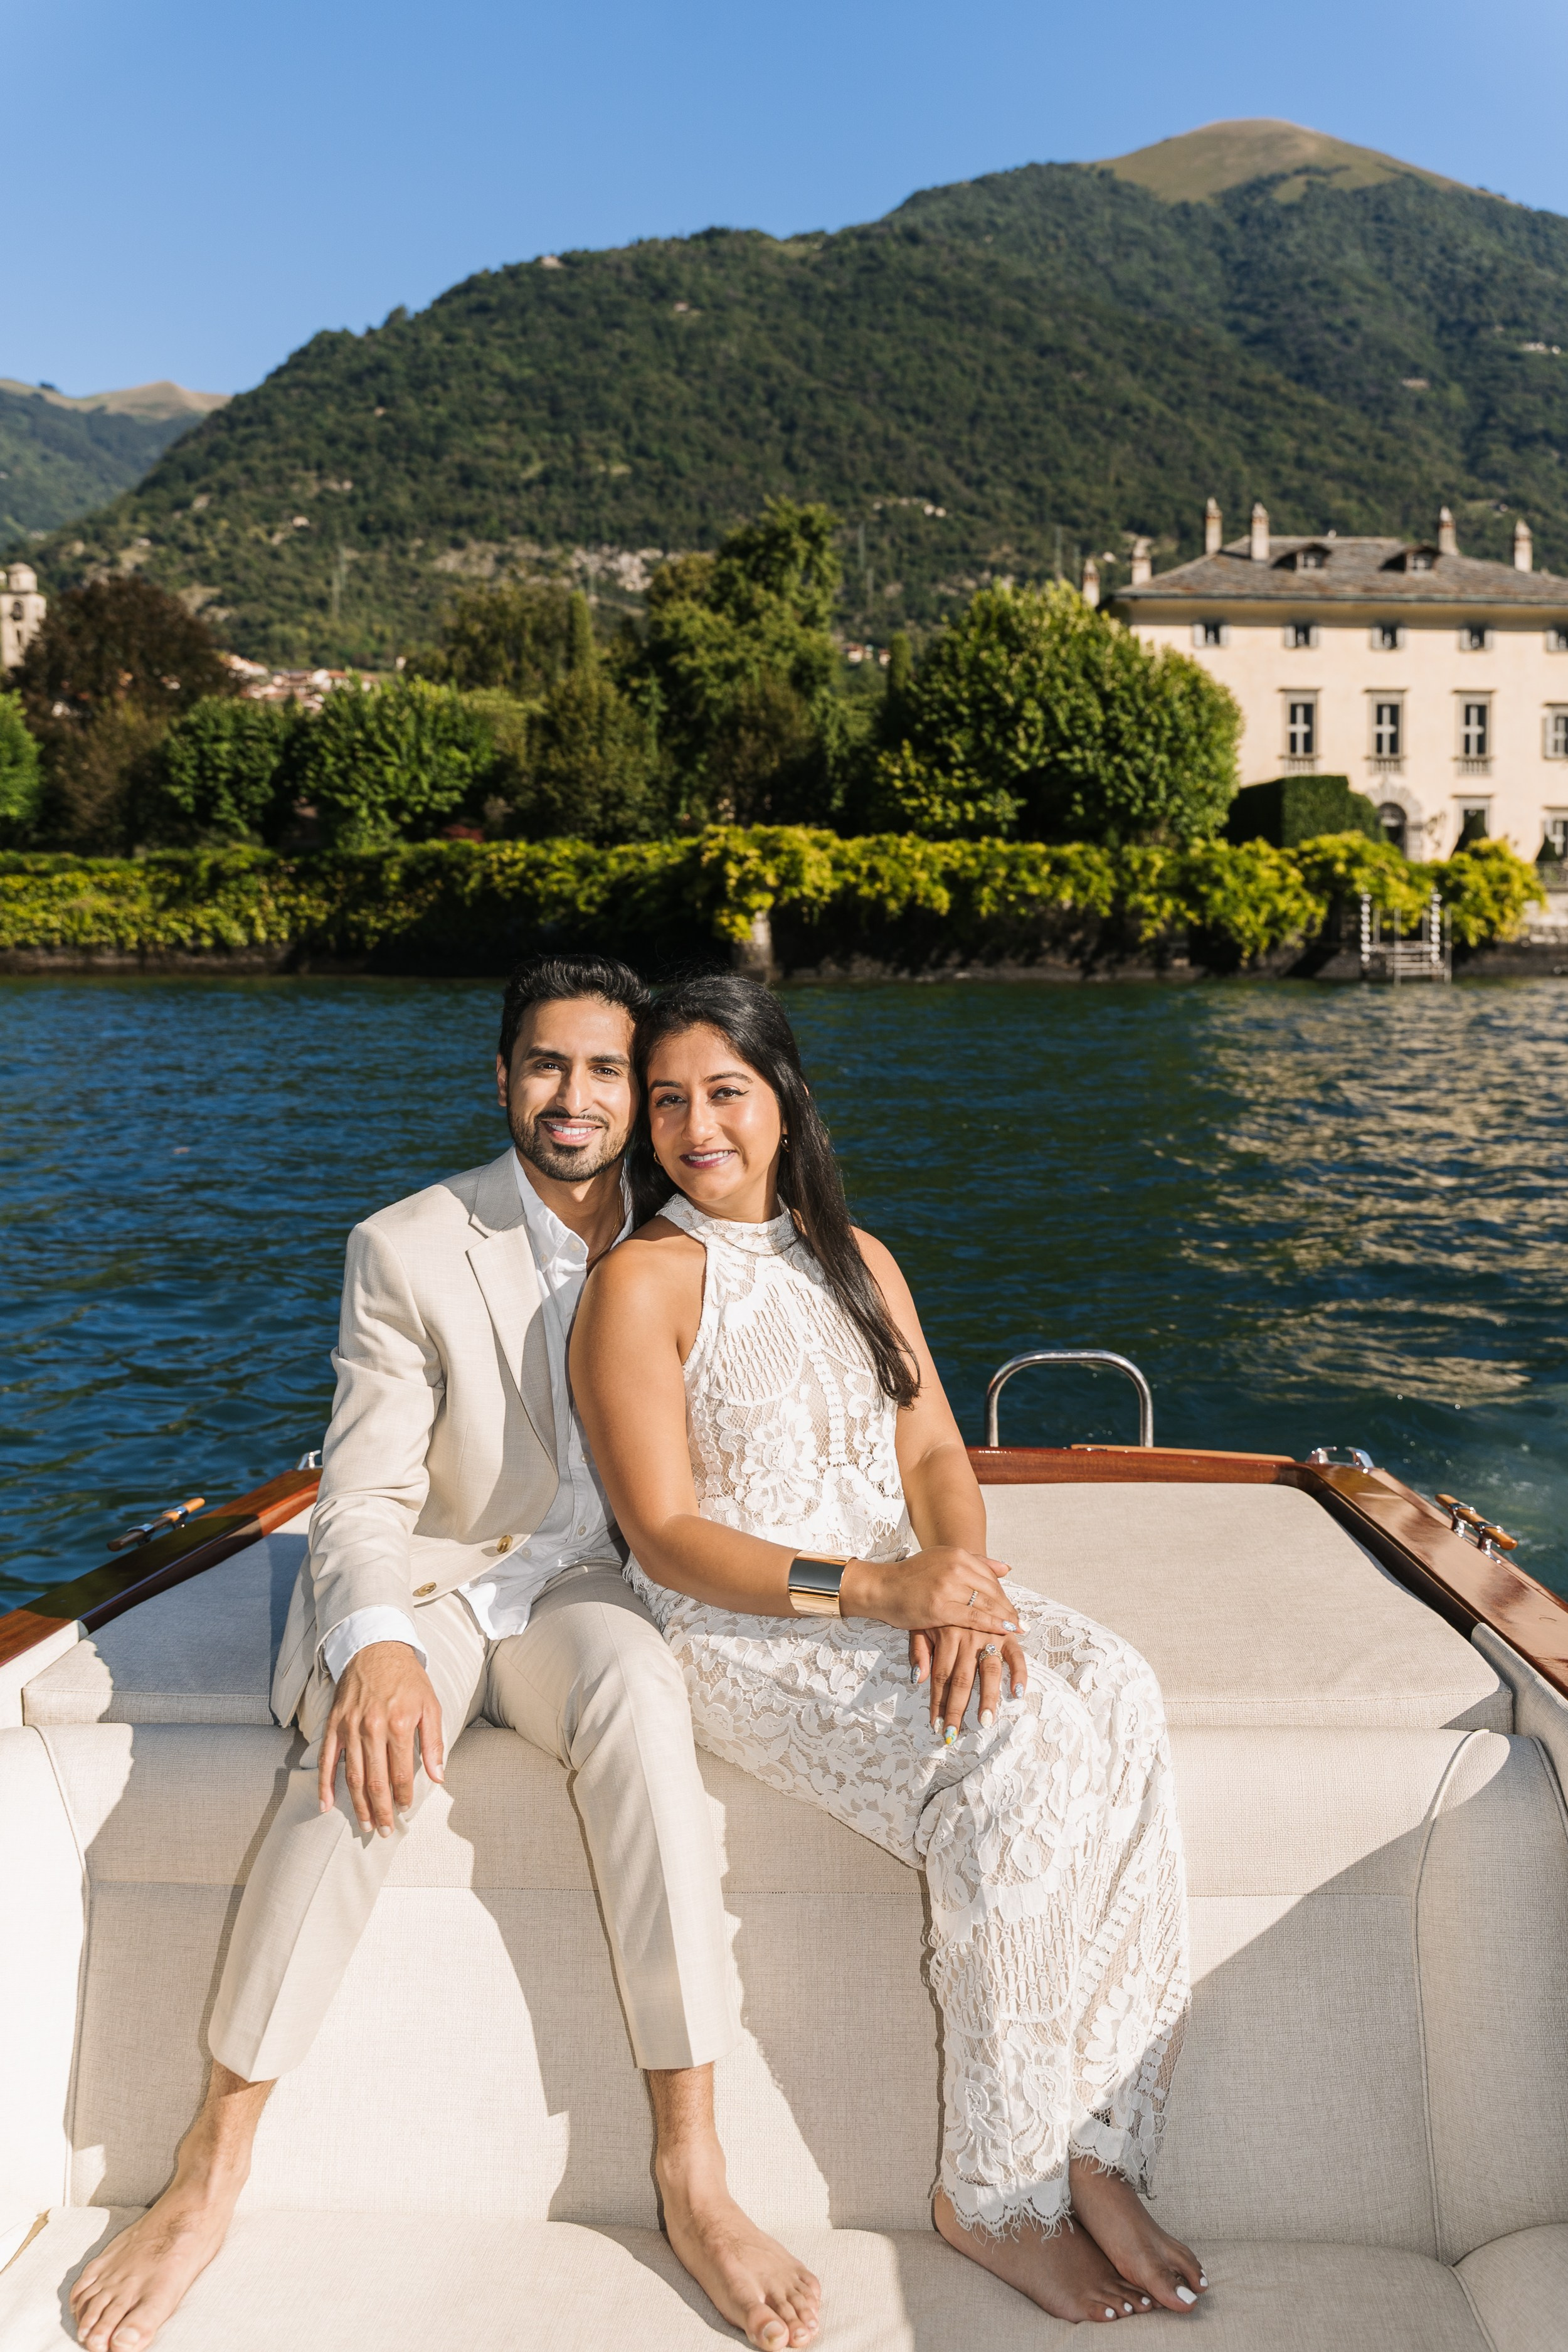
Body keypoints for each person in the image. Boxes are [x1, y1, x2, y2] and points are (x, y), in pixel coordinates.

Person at [70, 955, 822, 2352]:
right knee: (362, 1761)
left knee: (643, 1710)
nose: (578, 1097)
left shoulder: (693, 1223)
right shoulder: (404, 1245)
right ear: (502, 1079)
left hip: (596, 1588)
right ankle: (210, 2164)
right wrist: (373, 1648)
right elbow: (359, 1497)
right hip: (431, 1580)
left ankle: (692, 2168)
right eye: (548, 1065)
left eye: (609, 1072)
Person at [571, 972, 1204, 2328]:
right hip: (751, 1627)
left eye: (724, 1093)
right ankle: (994, 2189)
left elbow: (928, 1446)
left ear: (782, 1097)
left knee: (1120, 1689)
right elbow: (665, 1534)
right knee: (1019, 1746)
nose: (695, 1127)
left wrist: (961, 1584)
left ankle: (1099, 2137)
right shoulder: (640, 1283)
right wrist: (882, 1594)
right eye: (668, 1101)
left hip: (901, 1586)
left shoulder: (853, 1257)